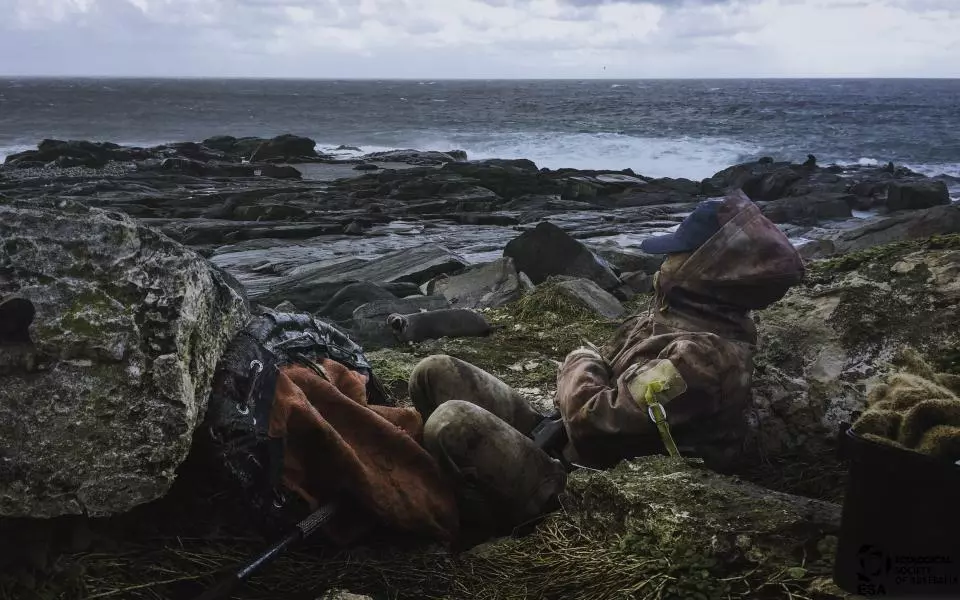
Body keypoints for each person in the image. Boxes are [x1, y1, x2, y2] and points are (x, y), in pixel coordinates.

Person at [409, 189, 805, 533]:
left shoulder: (703, 358)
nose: (663, 263)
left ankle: (478, 526)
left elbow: (591, 417)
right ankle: (457, 492)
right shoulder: (673, 317)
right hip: (570, 445)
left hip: (587, 486)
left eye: (675, 254)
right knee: (435, 371)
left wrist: (578, 361)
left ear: (706, 270)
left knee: (452, 422)